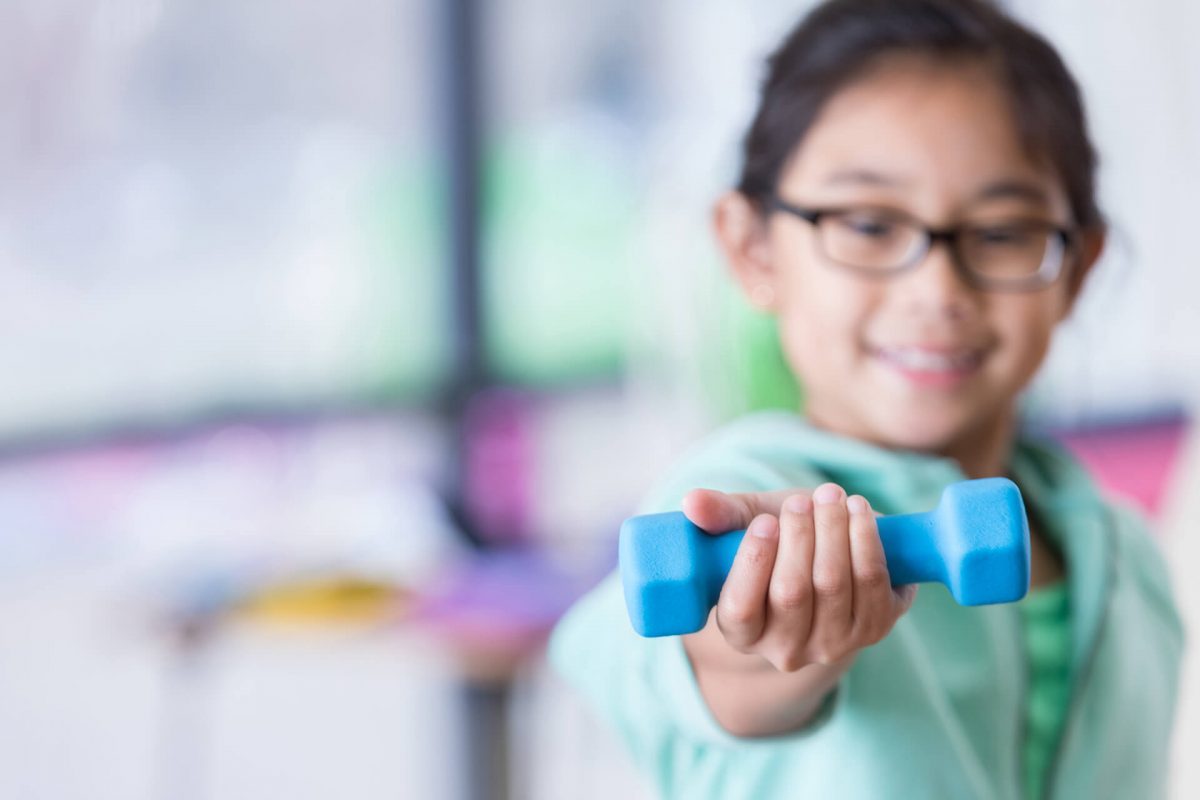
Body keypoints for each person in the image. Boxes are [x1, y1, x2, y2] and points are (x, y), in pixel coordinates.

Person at [548, 1, 1184, 798]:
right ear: (752, 249)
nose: (936, 290)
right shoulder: (738, 496)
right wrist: (760, 632)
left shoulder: (1126, 554)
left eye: (1000, 231)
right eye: (868, 224)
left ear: (1077, 269)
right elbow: (710, 669)